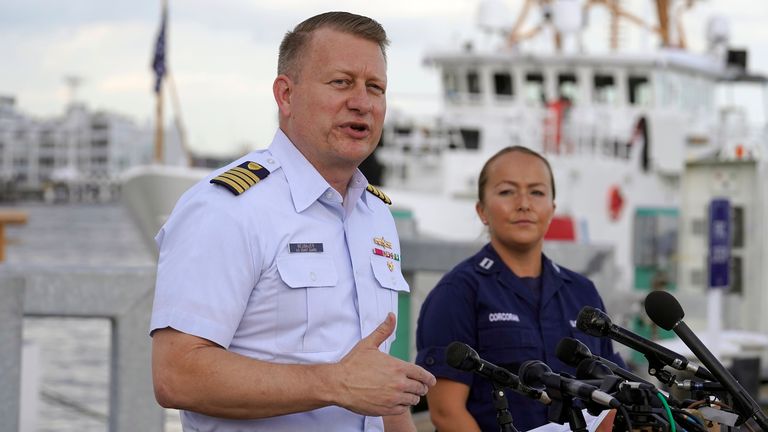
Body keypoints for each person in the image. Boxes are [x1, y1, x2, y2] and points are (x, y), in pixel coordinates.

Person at [149, 11, 436, 432]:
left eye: (375, 87)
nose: (362, 101)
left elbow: (375, 384)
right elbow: (176, 375)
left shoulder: (375, 216)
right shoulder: (228, 209)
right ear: (286, 95)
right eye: (341, 82)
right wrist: (333, 383)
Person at [415, 146, 625, 431]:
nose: (524, 203)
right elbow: (446, 412)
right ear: (482, 210)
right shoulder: (457, 293)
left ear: (551, 208)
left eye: (537, 192)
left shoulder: (583, 293)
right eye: (506, 192)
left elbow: (613, 394)